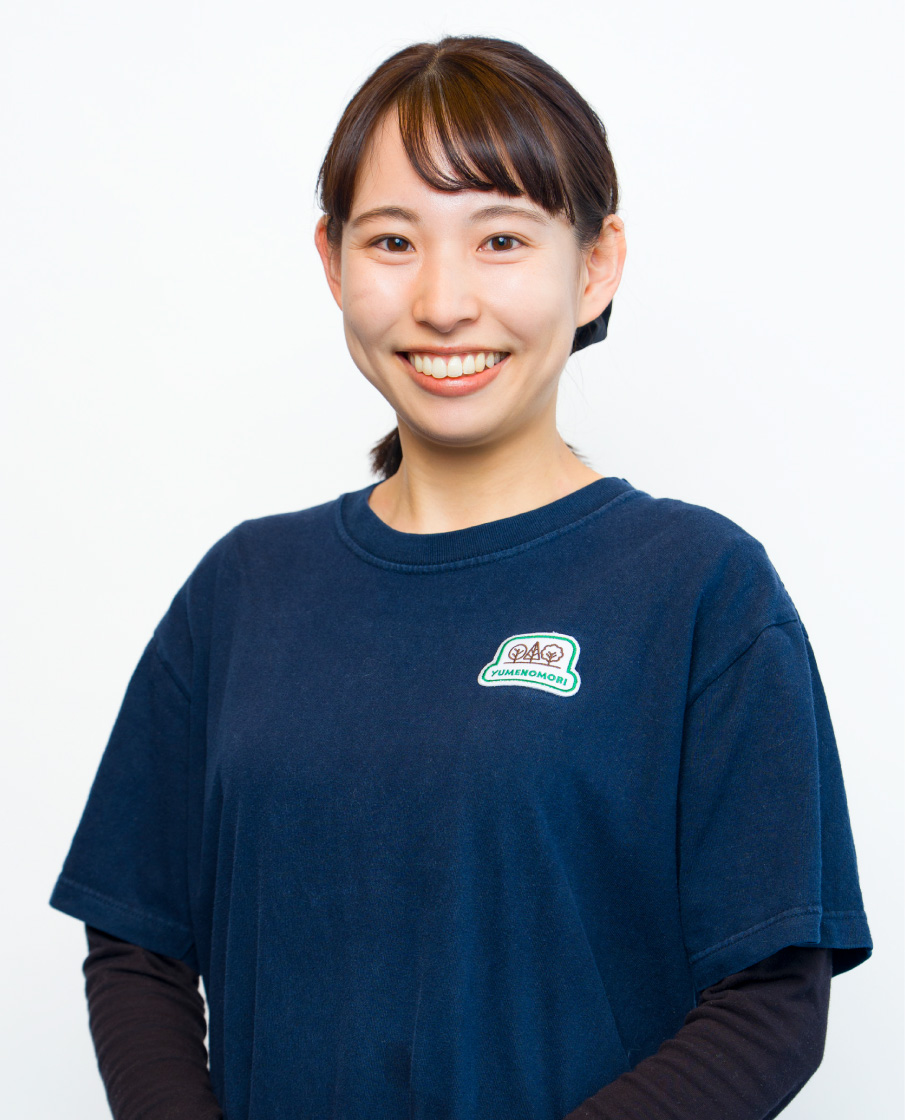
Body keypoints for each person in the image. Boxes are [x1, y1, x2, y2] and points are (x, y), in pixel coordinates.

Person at [49, 35, 872, 1120]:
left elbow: (770, 1000)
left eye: (500, 240)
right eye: (393, 240)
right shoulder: (242, 591)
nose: (442, 302)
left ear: (594, 264)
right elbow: (135, 943)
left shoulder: (700, 592)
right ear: (332, 260)